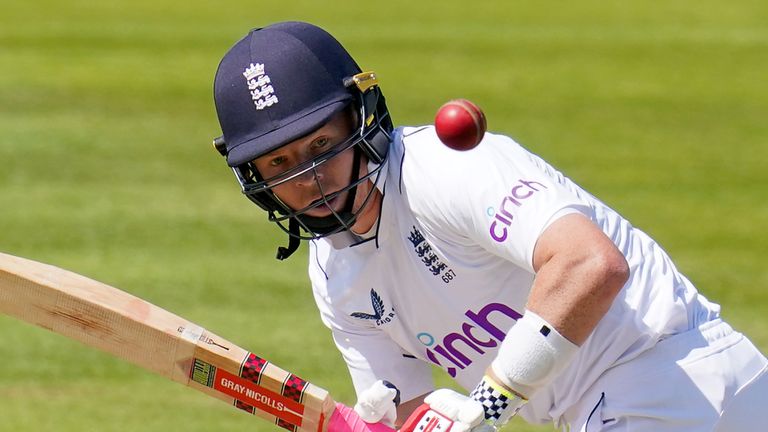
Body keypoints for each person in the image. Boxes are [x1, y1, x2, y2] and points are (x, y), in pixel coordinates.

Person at [211, 21, 768, 431]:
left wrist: (491, 401)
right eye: (280, 164)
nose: (312, 178)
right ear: (254, 177)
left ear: (361, 118)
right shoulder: (335, 277)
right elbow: (407, 413)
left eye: (322, 146)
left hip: (664, 370)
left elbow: (591, 264)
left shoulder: (445, 167)